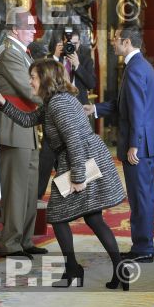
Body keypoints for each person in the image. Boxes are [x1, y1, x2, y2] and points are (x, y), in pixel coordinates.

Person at [0, 59, 127, 290]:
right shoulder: (54, 101)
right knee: (93, 218)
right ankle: (118, 268)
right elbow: (27, 120)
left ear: (45, 79)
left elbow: (74, 141)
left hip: (80, 160)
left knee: (57, 215)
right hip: (81, 158)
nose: (30, 82)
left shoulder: (59, 104)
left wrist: (78, 178)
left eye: (33, 77)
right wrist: (2, 101)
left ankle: (75, 268)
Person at [84, 23, 154, 263]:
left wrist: (134, 145)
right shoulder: (138, 66)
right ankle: (142, 245)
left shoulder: (136, 68)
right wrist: (95, 108)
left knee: (141, 197)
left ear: (127, 42)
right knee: (141, 196)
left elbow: (138, 111)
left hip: (141, 145)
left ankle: (144, 248)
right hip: (145, 142)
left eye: (116, 38)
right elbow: (124, 105)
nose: (113, 41)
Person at [0, 7, 47, 258]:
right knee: (15, 189)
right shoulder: (9, 53)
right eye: (30, 26)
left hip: (26, 127)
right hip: (13, 127)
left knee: (29, 187)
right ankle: (11, 243)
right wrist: (56, 99)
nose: (34, 31)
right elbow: (28, 90)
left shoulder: (21, 53)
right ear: (15, 28)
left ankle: (25, 240)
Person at [37, 29, 97, 199]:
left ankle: (82, 195)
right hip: (54, 113)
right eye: (69, 44)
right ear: (61, 43)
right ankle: (37, 196)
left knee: (79, 155)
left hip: (78, 111)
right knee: (47, 157)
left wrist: (77, 65)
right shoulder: (53, 58)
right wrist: (55, 58)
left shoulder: (84, 57)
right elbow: (45, 78)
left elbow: (92, 82)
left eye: (76, 44)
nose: (72, 47)